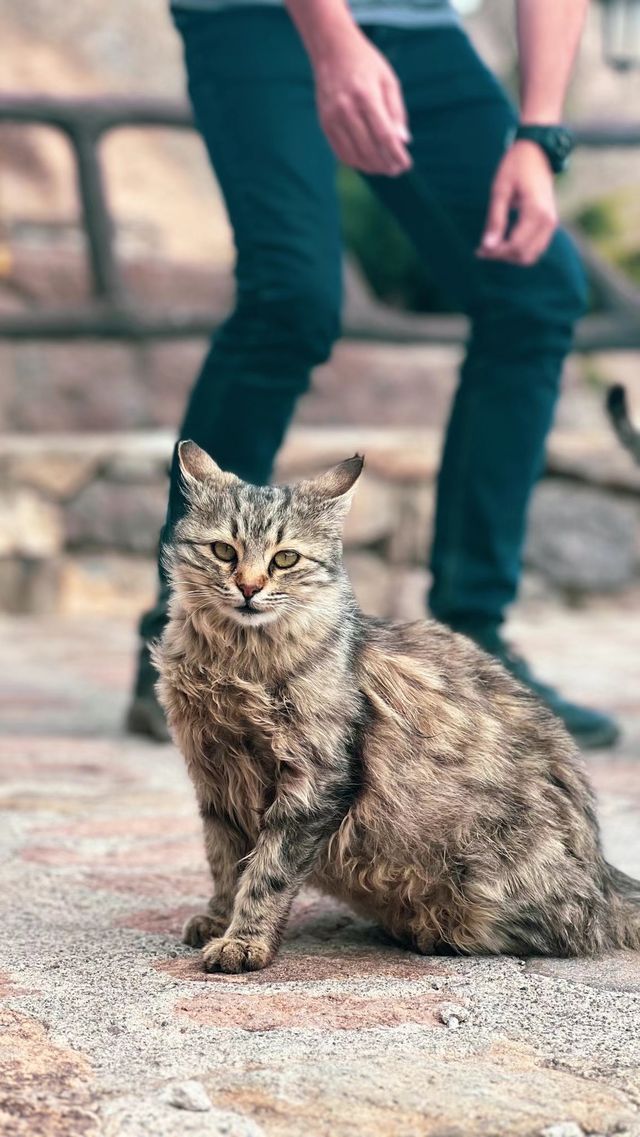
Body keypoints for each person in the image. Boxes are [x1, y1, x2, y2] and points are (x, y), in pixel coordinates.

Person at [127, 0, 619, 749]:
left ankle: (471, 642)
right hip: (254, 16)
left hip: (417, 24)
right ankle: (184, 636)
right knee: (291, 300)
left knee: (535, 290)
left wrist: (538, 135)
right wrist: (332, 41)